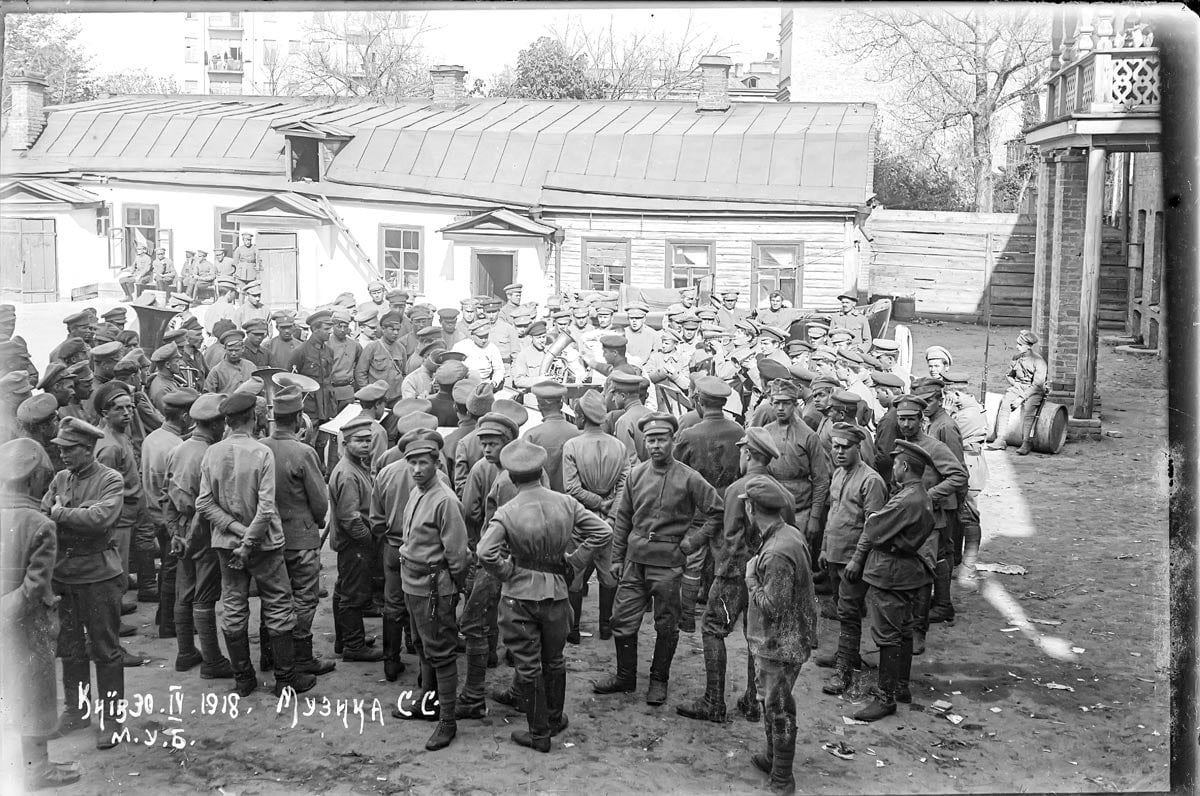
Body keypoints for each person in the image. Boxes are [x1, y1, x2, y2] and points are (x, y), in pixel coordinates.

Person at [476, 439, 611, 752]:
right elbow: (603, 532)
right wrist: (575, 561)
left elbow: (484, 551)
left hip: (519, 596)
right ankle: (553, 718)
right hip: (557, 593)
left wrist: (507, 572)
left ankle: (539, 735)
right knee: (555, 659)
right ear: (541, 473)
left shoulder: (507, 512)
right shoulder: (566, 503)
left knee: (528, 664)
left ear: (511, 477)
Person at [594, 413, 723, 706]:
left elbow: (716, 512)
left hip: (668, 564)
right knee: (622, 619)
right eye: (650, 440)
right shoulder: (636, 475)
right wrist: (617, 558)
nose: (655, 446)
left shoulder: (689, 477)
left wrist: (692, 541)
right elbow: (623, 518)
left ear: (673, 441)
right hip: (635, 562)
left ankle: (658, 680)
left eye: (661, 440)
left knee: (666, 624)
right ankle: (625, 677)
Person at [196, 392, 316, 697]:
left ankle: (243, 680)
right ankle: (285, 680)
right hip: (264, 545)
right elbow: (265, 509)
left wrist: (237, 534)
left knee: (233, 606)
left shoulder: (212, 453)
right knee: (278, 605)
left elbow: (204, 503)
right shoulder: (261, 452)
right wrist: (248, 541)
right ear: (254, 418)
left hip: (227, 545)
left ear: (227, 420)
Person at [677, 428, 794, 725]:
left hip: (736, 572)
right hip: (770, 575)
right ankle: (754, 702)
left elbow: (731, 540)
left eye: (741, 451)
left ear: (747, 453)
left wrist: (724, 573)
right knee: (757, 635)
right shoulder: (784, 494)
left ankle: (713, 701)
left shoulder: (737, 489)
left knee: (712, 627)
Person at [0, 438, 82, 788]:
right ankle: (36, 769)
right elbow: (35, 586)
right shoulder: (40, 523)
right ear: (34, 479)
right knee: (35, 695)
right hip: (27, 622)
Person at [42, 417, 128, 750]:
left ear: (89, 448)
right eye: (60, 449)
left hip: (98, 576)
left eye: (69, 449)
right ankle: (77, 712)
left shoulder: (110, 479)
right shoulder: (61, 478)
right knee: (70, 649)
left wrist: (62, 514)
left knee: (105, 650)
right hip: (64, 576)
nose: (62, 454)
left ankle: (112, 719)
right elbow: (43, 514)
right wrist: (67, 514)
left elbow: (100, 519)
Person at [844, 440, 937, 722]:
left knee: (887, 635)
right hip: (907, 571)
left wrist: (874, 516)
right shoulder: (920, 495)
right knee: (904, 630)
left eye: (896, 464)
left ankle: (885, 698)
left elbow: (873, 528)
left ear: (904, 466)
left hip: (891, 572)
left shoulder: (906, 499)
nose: (893, 468)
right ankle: (900, 686)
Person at [394, 431, 470, 751]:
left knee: (441, 652)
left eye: (423, 463)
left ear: (437, 464)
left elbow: (458, 555)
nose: (416, 469)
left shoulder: (445, 500)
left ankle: (447, 720)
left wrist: (454, 589)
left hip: (434, 589)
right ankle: (429, 701)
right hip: (412, 583)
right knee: (422, 647)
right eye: (411, 462)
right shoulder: (417, 492)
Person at [740, 476, 816, 795]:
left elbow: (774, 606)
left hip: (779, 644)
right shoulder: (787, 534)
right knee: (771, 701)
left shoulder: (776, 551)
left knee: (779, 707)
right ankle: (774, 760)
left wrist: (751, 580)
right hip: (782, 640)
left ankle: (783, 778)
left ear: (751, 508)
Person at [259, 385, 336, 677]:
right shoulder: (303, 452)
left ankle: (270, 655)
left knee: (273, 596)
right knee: (305, 597)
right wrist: (317, 522)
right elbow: (319, 501)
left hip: (268, 537)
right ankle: (302, 657)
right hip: (301, 538)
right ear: (298, 417)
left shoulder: (261, 447)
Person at [165, 393, 234, 679]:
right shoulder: (211, 454)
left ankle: (185, 653)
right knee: (204, 596)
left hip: (181, 529)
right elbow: (209, 504)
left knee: (184, 592)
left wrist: (175, 534)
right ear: (216, 424)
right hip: (203, 531)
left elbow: (166, 498)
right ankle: (212, 661)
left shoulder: (178, 450)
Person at [892, 395, 967, 653]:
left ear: (921, 420)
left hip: (928, 523)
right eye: (902, 419)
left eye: (911, 419)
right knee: (903, 573)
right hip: (903, 521)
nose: (906, 425)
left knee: (923, 576)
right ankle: (903, 627)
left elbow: (958, 475)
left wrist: (929, 495)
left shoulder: (934, 447)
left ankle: (918, 632)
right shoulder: (900, 445)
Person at [817, 423, 888, 693]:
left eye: (845, 447)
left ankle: (844, 672)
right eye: (835, 446)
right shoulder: (838, 473)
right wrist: (824, 548)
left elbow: (873, 527)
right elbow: (833, 515)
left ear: (858, 448)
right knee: (842, 608)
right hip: (835, 554)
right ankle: (846, 655)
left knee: (848, 613)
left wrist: (858, 559)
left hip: (852, 559)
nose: (839, 452)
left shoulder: (871, 481)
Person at [672, 376, 745, 633]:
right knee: (723, 560)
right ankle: (720, 615)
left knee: (693, 560)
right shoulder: (738, 431)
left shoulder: (689, 435)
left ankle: (687, 617)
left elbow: (676, 470)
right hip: (729, 505)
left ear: (699, 401)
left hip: (699, 506)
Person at [561, 390, 628, 643]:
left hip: (581, 520)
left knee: (575, 574)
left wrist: (597, 503)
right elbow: (624, 486)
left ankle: (573, 629)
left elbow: (571, 488)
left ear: (581, 417)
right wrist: (610, 516)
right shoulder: (619, 446)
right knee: (609, 575)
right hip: (610, 522)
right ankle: (606, 627)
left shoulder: (572, 446)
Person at [326, 416, 384, 663]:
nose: (365, 445)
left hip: (353, 544)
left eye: (368, 440)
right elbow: (350, 519)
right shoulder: (348, 473)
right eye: (359, 441)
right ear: (345, 443)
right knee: (352, 595)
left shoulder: (355, 466)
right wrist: (369, 542)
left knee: (344, 590)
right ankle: (354, 646)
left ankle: (345, 640)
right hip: (355, 544)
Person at [142, 389, 197, 641]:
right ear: (185, 416)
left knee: (167, 566)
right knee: (175, 571)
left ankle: (163, 616)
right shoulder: (177, 447)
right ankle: (170, 623)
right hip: (169, 517)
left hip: (154, 511)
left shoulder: (153, 438)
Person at [987, 329, 1048, 455]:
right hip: (1018, 387)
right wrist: (1016, 385)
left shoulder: (1039, 361)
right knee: (1005, 404)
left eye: (1020, 345)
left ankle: (1027, 441)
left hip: (1034, 391)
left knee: (1029, 409)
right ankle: (1000, 439)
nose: (1017, 347)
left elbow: (1037, 384)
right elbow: (1009, 375)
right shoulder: (1016, 358)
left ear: (1029, 346)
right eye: (1017, 344)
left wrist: (1020, 398)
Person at [521, 381, 581, 492]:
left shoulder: (531, 436)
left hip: (541, 498)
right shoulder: (578, 433)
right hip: (574, 498)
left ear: (539, 406)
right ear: (561, 405)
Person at [453, 320, 505, 388]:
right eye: (480, 337)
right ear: (472, 335)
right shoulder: (461, 346)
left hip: (485, 384)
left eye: (486, 336)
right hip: (465, 383)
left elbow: (499, 369)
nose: (484, 340)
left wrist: (494, 382)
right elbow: (452, 364)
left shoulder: (492, 348)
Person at [205, 327, 256, 394]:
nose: (233, 353)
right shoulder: (217, 371)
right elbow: (208, 395)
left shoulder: (251, 367)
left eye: (237, 350)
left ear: (243, 349)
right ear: (225, 349)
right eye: (230, 350)